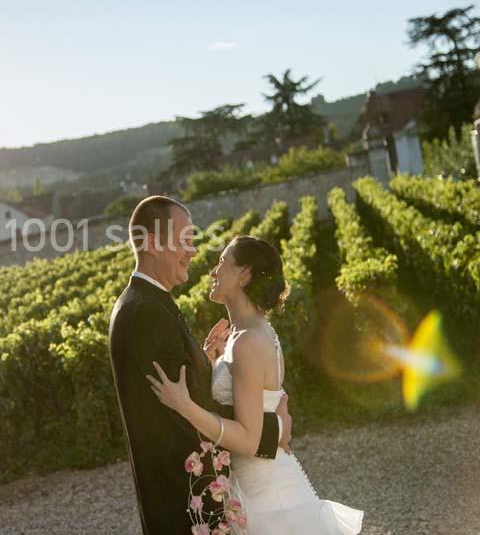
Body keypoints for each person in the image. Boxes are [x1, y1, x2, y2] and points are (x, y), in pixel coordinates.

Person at [149, 234, 364, 534]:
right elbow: (269, 402)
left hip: (267, 499)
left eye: (222, 262)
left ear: (243, 274)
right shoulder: (248, 334)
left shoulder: (248, 341)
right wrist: (212, 363)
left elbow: (249, 440)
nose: (212, 271)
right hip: (257, 483)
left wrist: (184, 406)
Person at [108, 196, 292, 535]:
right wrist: (274, 430)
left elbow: (183, 390)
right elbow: (182, 413)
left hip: (196, 494)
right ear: (151, 243)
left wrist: (204, 361)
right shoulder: (145, 312)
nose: (193, 251)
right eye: (185, 240)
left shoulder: (151, 303)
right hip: (185, 499)